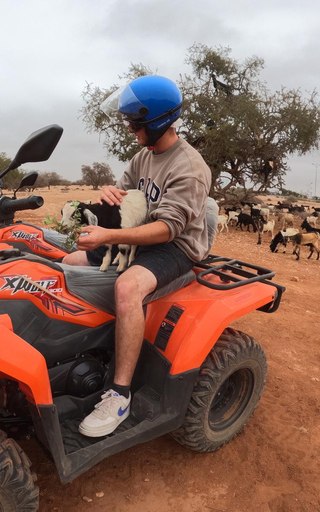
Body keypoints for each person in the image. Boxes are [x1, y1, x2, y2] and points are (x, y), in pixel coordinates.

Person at [62, 75, 211, 437]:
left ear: (156, 121)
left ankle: (119, 393)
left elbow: (168, 229)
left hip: (175, 247)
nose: (129, 128)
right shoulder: (143, 155)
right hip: (139, 238)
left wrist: (108, 236)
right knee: (68, 263)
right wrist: (110, 192)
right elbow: (127, 194)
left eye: (134, 122)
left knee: (128, 288)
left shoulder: (189, 168)